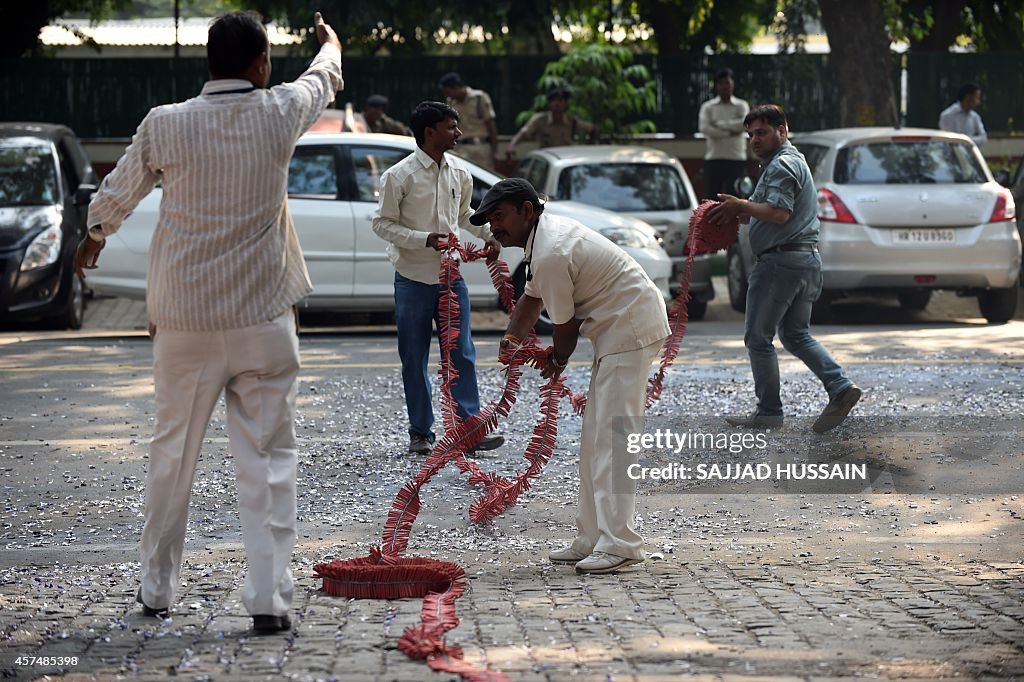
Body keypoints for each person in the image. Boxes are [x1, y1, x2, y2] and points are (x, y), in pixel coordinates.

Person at [74, 11, 344, 634]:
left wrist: (94, 236)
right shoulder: (279, 111)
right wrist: (330, 45)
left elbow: (118, 190)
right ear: (260, 64)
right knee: (271, 458)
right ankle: (271, 602)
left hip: (185, 322)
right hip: (263, 318)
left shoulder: (165, 124)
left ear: (208, 62)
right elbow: (324, 76)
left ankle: (157, 588)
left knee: (173, 452)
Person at [477, 178, 669, 575]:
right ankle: (592, 538)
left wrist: (556, 360)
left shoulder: (550, 249)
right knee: (593, 440)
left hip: (630, 328)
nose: (494, 227)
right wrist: (512, 338)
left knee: (613, 441)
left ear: (527, 210)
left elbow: (564, 329)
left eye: (500, 216)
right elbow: (531, 298)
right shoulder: (542, 242)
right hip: (615, 331)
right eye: (490, 219)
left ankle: (621, 545)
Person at [707, 104, 861, 434]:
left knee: (758, 338)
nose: (754, 140)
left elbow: (778, 213)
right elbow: (762, 211)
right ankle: (840, 388)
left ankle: (769, 414)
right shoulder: (786, 163)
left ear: (782, 130)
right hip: (803, 261)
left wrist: (741, 206)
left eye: (761, 132)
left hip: (780, 264)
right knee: (794, 334)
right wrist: (732, 210)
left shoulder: (783, 165)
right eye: (750, 135)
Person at [372, 101, 505, 456]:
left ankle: (468, 431)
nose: (458, 133)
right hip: (412, 279)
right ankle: (421, 433)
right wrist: (422, 239)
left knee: (461, 353)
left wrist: (489, 235)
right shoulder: (399, 176)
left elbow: (466, 216)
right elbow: (381, 223)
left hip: (451, 278)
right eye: (451, 126)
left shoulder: (459, 173)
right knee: (414, 357)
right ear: (430, 132)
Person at [698, 67, 750, 200]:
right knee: (711, 198)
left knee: (736, 197)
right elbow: (704, 128)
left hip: (736, 158)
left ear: (733, 84)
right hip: (714, 158)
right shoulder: (708, 107)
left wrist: (720, 125)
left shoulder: (741, 105)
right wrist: (730, 132)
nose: (724, 86)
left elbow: (745, 124)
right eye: (721, 83)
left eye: (727, 82)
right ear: (716, 85)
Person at [507, 87, 597, 154]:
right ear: (549, 104)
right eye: (554, 100)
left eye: (560, 100)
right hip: (547, 160)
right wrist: (512, 146)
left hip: (566, 158)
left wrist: (589, 147)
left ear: (565, 104)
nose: (557, 104)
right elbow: (524, 133)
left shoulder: (572, 121)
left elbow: (592, 129)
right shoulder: (540, 120)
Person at [438, 72, 499, 170]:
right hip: (461, 147)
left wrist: (495, 151)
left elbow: (490, 124)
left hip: (481, 147)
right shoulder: (451, 102)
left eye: (448, 91)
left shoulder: (479, 98)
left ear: (456, 87)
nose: (447, 94)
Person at [939, 82, 987, 147]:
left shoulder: (975, 117)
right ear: (968, 97)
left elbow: (983, 139)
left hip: (969, 156)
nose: (978, 102)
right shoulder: (948, 116)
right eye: (977, 98)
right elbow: (949, 141)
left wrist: (966, 140)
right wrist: (969, 141)